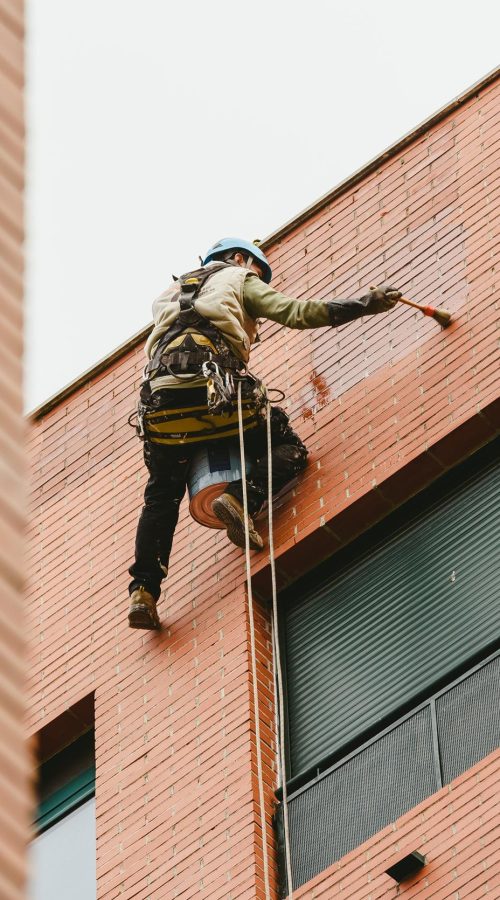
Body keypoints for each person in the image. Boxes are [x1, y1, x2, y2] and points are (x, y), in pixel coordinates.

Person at [128, 238, 401, 629]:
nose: (259, 277)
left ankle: (144, 592)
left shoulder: (168, 294)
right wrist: (365, 303)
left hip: (162, 409)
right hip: (221, 398)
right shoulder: (239, 277)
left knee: (160, 497)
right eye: (259, 269)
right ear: (240, 259)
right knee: (289, 447)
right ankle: (240, 498)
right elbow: (297, 313)